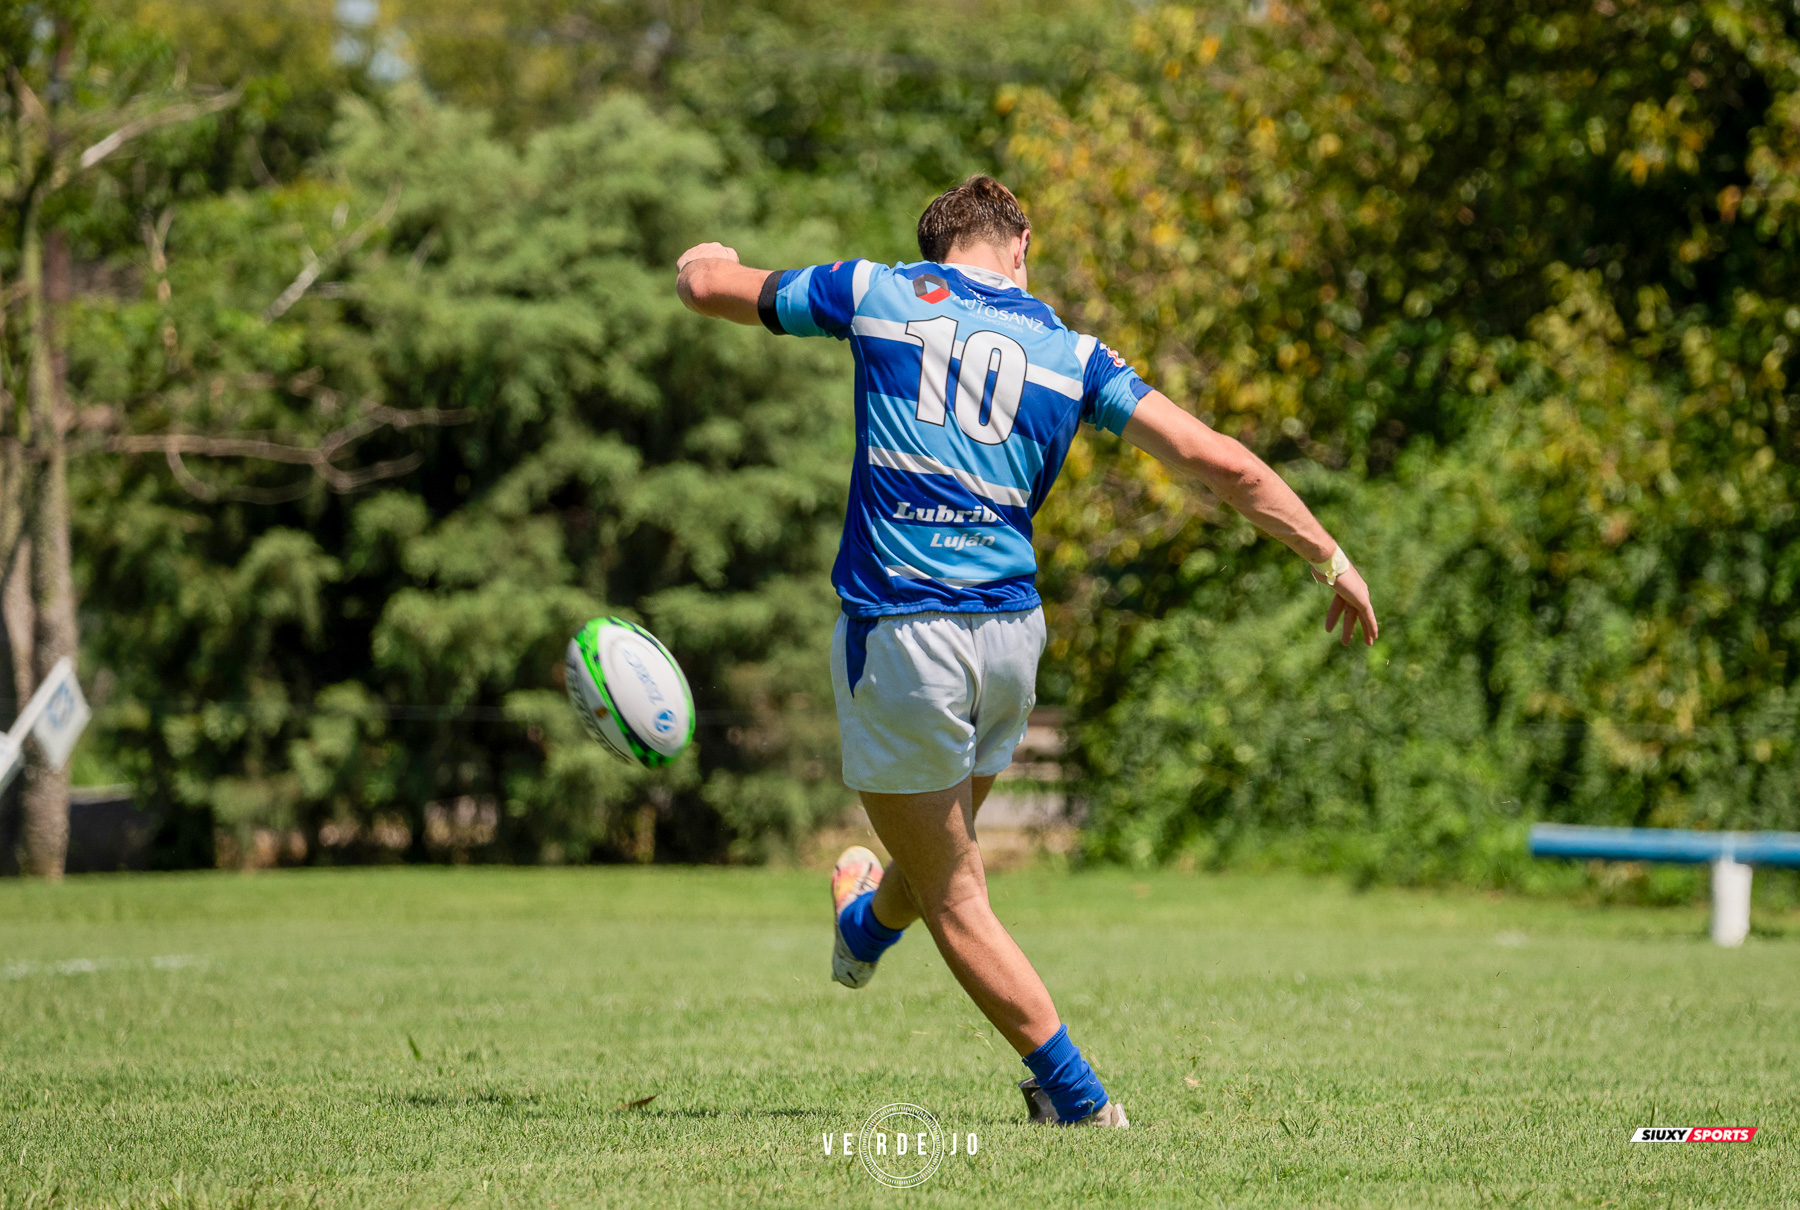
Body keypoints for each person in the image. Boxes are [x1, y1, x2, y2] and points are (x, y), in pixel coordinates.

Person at [674, 175, 1378, 1129]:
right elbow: (1222, 461)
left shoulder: (876, 290)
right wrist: (1331, 557)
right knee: (940, 851)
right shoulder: (1074, 355)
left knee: (954, 889)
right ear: (1021, 244)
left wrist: (703, 260)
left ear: (937, 247)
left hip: (904, 633)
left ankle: (1078, 1102)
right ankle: (863, 931)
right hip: (1011, 641)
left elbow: (714, 289)